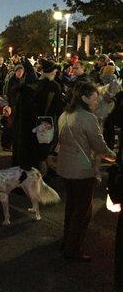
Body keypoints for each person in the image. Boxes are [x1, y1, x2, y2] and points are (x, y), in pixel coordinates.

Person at [57, 82, 116, 262]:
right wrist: (115, 157)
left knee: (71, 208)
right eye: (94, 97)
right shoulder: (88, 118)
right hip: (82, 170)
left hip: (66, 168)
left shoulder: (65, 114)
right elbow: (99, 145)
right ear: (84, 98)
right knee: (82, 213)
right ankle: (73, 250)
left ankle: (67, 242)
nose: (96, 101)